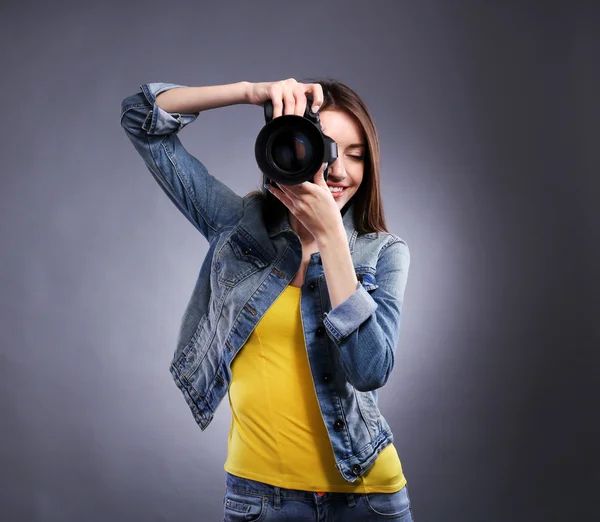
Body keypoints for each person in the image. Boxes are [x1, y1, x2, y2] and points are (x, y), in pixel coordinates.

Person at [120, 77, 413, 521]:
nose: (340, 170)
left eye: (356, 156)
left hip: (367, 499)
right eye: (326, 149)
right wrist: (250, 92)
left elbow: (370, 371)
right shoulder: (240, 224)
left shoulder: (383, 253)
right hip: (259, 501)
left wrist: (332, 238)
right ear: (291, 150)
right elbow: (140, 118)